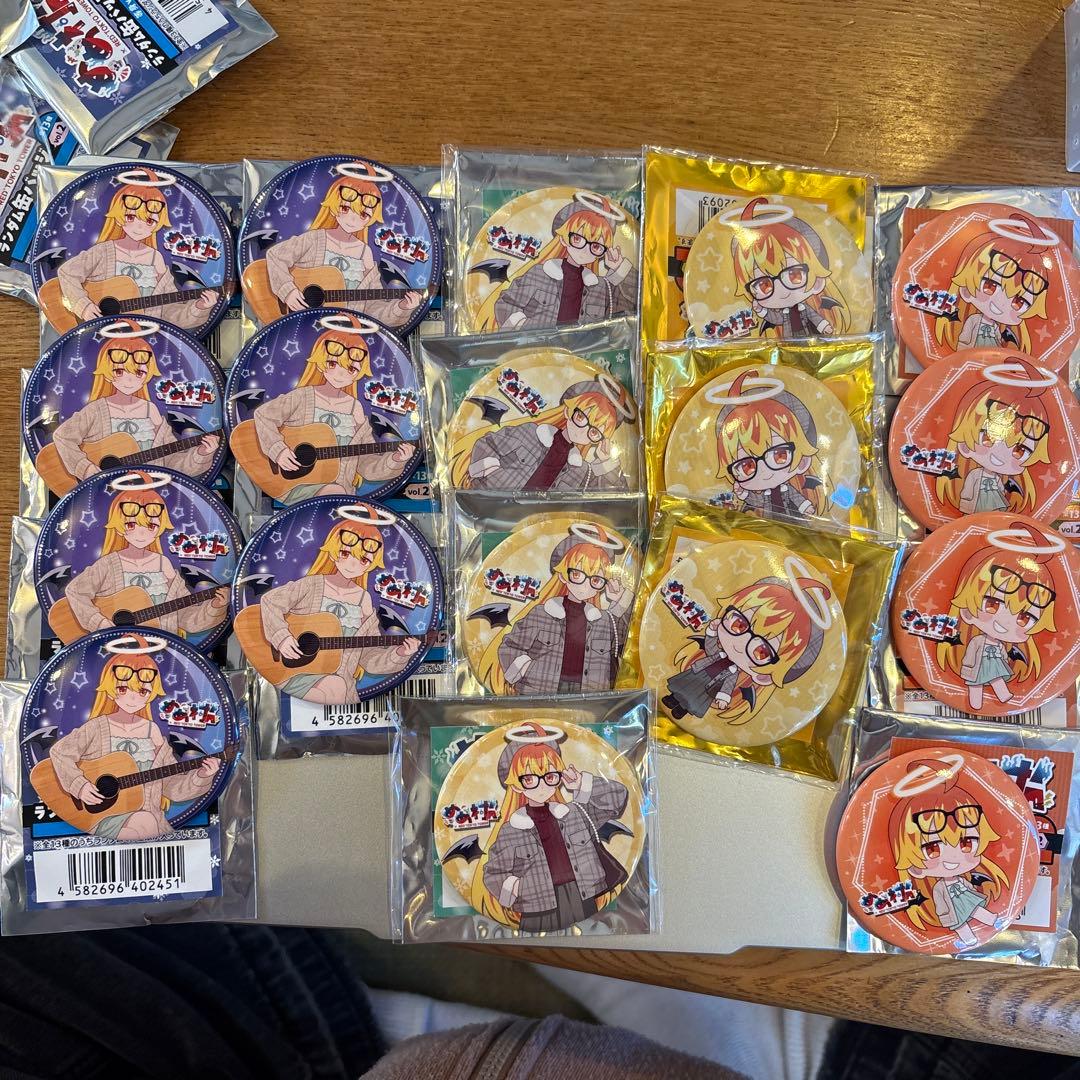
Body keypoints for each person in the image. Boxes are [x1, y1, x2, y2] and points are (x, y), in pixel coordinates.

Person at [47, 641, 220, 841]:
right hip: (101, 815)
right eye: (123, 689)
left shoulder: (153, 732)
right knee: (144, 823)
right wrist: (80, 786)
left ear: (151, 694)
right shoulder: (97, 727)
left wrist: (202, 776)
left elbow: (171, 785)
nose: (132, 698)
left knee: (146, 822)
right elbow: (59, 752)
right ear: (110, 689)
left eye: (142, 691)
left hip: (150, 818)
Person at [470, 721, 629, 933]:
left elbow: (618, 799)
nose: (542, 785)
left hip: (583, 896)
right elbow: (493, 872)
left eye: (550, 776)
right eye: (529, 779)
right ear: (517, 785)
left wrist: (582, 783)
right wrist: (517, 888)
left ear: (559, 778)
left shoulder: (575, 814)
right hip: (537, 907)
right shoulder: (511, 831)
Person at [251, 313, 414, 503]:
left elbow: (365, 463)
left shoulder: (355, 409)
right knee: (334, 491)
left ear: (358, 374)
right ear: (320, 364)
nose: (340, 373)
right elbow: (263, 415)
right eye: (332, 363)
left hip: (341, 491)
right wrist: (279, 451)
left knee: (337, 490)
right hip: (294, 484)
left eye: (351, 369)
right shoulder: (302, 396)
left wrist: (395, 460)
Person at [259, 517, 419, 703]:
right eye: (345, 553)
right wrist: (282, 638)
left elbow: (368, 656)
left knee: (337, 686)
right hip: (294, 672)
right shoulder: (312, 585)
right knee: (335, 687)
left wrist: (399, 654)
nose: (353, 564)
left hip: (342, 684)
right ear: (333, 552)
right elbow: (270, 601)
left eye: (363, 559)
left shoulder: (364, 600)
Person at [50, 321, 220, 483]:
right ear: (107, 374)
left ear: (147, 376)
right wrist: (85, 468)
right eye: (119, 371)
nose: (129, 380)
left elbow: (170, 463)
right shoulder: (96, 410)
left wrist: (201, 453)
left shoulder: (151, 410)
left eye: (138, 373)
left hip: (149, 488)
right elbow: (62, 436)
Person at [63, 476, 228, 640]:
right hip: (115, 648)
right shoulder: (108, 564)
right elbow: (74, 591)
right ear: (118, 527)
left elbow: (185, 617)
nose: (141, 533)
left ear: (160, 528)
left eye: (151, 526)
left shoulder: (164, 564)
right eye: (131, 525)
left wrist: (215, 606)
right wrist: (100, 623)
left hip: (162, 647)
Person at [476, 523, 631, 695]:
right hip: (540, 690)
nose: (586, 585)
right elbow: (510, 645)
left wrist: (620, 600)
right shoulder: (542, 614)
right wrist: (526, 669)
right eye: (577, 574)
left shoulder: (604, 621)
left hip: (591, 695)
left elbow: (628, 643)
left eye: (595, 580)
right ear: (563, 575)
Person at [55, 169, 217, 331]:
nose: (139, 227)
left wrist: (199, 307)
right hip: (99, 335)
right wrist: (84, 306)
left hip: (145, 336)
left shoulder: (156, 259)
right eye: (131, 217)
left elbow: (169, 313)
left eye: (149, 221)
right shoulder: (103, 251)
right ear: (118, 218)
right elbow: (67, 273)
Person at [265, 163, 421, 328]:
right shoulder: (314, 239)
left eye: (363, 214)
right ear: (333, 208)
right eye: (346, 208)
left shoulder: (365, 253)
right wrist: (288, 291)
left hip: (344, 329)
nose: (353, 219)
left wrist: (401, 307)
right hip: (303, 326)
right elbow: (275, 255)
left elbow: (372, 309)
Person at [663, 575, 830, 725]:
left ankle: (682, 709)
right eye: (739, 624)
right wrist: (712, 632)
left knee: (696, 698)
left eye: (762, 651)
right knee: (684, 686)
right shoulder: (719, 654)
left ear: (765, 676)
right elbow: (710, 648)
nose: (741, 642)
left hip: (709, 687)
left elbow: (728, 684)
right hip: (698, 672)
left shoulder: (733, 673)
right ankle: (672, 699)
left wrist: (724, 697)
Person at [888, 756, 1010, 950]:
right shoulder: (938, 887)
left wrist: (969, 889)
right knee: (963, 921)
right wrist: (945, 914)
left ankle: (993, 921)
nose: (953, 857)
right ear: (914, 867)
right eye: (933, 849)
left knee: (973, 913)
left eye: (966, 843)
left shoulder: (953, 882)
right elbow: (941, 902)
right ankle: (971, 938)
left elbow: (961, 888)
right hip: (955, 907)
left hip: (965, 900)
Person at [935, 524, 1057, 711]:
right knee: (976, 684)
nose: (1004, 622)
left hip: (995, 666)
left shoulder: (1000, 645)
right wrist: (967, 666)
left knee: (997, 679)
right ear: (966, 610)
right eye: (992, 604)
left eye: (1024, 617)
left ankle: (1003, 696)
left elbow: (1002, 653)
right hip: (977, 667)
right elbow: (970, 653)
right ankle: (975, 703)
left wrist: (1005, 657)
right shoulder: (976, 640)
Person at [475, 192, 637, 331]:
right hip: (538, 350)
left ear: (602, 252)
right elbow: (506, 302)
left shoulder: (600, 287)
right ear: (564, 239)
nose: (585, 249)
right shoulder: (539, 275)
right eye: (578, 239)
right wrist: (521, 327)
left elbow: (633, 305)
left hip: (582, 352)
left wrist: (620, 267)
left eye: (595, 246)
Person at [450, 376, 635, 492]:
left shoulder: (581, 471)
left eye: (594, 432)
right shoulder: (530, 433)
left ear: (598, 440)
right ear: (568, 411)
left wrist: (605, 462)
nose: (583, 430)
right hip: (495, 508)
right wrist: (491, 475)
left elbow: (615, 498)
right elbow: (488, 443)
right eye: (581, 417)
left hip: (535, 525)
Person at [934, 360, 1051, 516]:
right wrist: (965, 507)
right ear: (964, 445)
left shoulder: (998, 479)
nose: (1001, 454)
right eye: (988, 437)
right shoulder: (974, 475)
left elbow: (1000, 491)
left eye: (1020, 450)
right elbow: (968, 491)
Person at [729, 197, 851, 338]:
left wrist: (824, 326)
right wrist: (762, 311)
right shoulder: (783, 314)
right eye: (764, 285)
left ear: (817, 281)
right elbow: (775, 319)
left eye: (794, 275)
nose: (781, 290)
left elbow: (814, 317)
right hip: (787, 342)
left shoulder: (805, 308)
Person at [711, 370, 827, 518]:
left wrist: (805, 506)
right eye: (747, 466)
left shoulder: (788, 488)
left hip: (794, 522)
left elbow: (796, 497)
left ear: (802, 460)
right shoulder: (763, 495)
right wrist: (744, 494)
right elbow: (756, 501)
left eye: (779, 455)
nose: (765, 471)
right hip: (768, 524)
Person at [934, 211, 1051, 354]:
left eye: (1019, 301)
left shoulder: (997, 328)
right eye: (990, 286)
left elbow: (997, 343)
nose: (1001, 303)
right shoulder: (973, 320)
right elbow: (964, 338)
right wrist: (962, 354)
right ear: (965, 290)